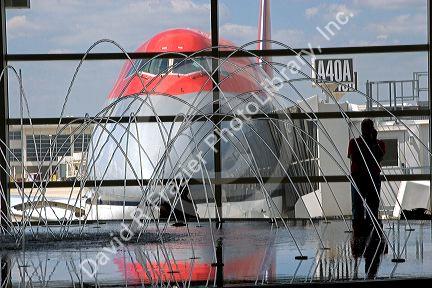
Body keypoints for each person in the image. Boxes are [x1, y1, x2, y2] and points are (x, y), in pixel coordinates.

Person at [347, 119, 385, 231]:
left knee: (372, 205)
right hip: (360, 177)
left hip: (369, 177)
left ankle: (370, 227)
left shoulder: (378, 143)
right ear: (362, 129)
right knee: (358, 205)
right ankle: (359, 228)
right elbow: (355, 157)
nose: (366, 130)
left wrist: (373, 141)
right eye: (365, 128)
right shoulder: (354, 142)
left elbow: (379, 157)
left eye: (368, 128)